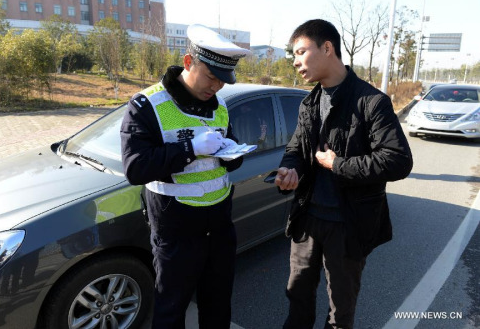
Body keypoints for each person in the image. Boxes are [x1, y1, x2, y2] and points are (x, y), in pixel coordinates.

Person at [274, 19, 413, 329]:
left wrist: (338, 165)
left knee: (340, 313)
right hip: (307, 220)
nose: (296, 62)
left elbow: (398, 160)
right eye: (293, 55)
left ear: (327, 48)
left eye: (301, 52)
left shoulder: (372, 102)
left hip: (349, 225)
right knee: (297, 300)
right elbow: (296, 148)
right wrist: (289, 170)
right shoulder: (309, 103)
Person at [120, 24, 251, 328]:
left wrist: (233, 153)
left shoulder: (219, 108)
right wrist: (189, 148)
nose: (216, 87)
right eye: (211, 77)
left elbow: (225, 165)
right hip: (176, 230)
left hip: (219, 228)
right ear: (189, 63)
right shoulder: (146, 104)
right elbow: (136, 167)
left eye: (223, 81)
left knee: (217, 306)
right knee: (170, 310)